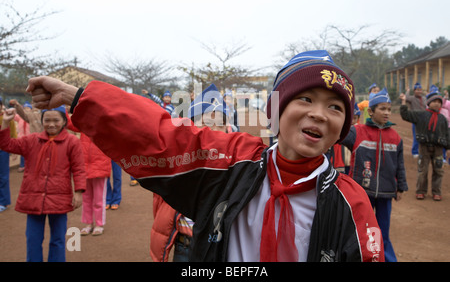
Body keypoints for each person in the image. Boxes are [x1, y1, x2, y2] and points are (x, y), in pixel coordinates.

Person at [26, 50, 384, 262]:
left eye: (335, 107)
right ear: (274, 111)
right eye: (305, 99)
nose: (319, 114)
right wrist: (80, 97)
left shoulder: (351, 202)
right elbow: (161, 136)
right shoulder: (231, 162)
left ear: (343, 126)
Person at [151, 83, 228, 262]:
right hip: (186, 246)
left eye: (222, 125)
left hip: (221, 249)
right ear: (192, 127)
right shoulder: (176, 166)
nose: (216, 131)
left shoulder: (237, 166)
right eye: (207, 123)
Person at [0, 106, 86, 261]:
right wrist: (5, 123)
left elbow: (79, 168)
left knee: (58, 239)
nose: (51, 124)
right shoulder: (31, 140)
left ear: (64, 121)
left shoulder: (72, 142)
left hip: (59, 198)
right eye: (47, 120)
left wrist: (79, 192)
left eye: (56, 120)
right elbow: (7, 145)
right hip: (33, 198)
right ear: (42, 121)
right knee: (33, 239)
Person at [341, 87, 408, 262]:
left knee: (382, 232)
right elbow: (338, 134)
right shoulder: (357, 132)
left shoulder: (396, 138)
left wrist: (401, 187)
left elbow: (400, 165)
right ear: (370, 111)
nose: (387, 113)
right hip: (362, 191)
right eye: (382, 109)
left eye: (388, 109)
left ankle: (387, 259)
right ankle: (361, 256)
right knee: (361, 228)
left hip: (386, 192)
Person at [400, 86, 450, 201]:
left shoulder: (442, 119)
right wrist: (403, 103)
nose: (437, 104)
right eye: (434, 101)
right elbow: (406, 115)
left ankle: (436, 192)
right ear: (429, 103)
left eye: (439, 102)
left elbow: (447, 133)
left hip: (438, 148)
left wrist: (448, 148)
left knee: (438, 170)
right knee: (423, 170)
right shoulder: (421, 115)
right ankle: (421, 191)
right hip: (424, 147)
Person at [65, 113, 111, 236]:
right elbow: (69, 123)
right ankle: (88, 223)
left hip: (101, 167)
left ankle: (99, 224)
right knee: (86, 199)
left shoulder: (107, 128)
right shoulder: (84, 125)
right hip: (85, 166)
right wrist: (63, 108)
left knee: (99, 199)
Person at [328, 103, 360, 174]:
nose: (352, 121)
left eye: (355, 118)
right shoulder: (341, 129)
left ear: (358, 118)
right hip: (338, 159)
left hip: (351, 161)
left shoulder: (358, 132)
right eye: (350, 118)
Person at [0, 97, 17, 212]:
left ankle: (3, 202)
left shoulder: (5, 118)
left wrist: (14, 150)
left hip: (2, 150)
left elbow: (13, 133)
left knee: (3, 176)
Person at [404, 83, 426, 158]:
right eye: (417, 90)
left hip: (424, 120)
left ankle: (422, 151)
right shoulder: (412, 98)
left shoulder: (424, 98)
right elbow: (406, 98)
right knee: (416, 136)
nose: (419, 91)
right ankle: (415, 152)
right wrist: (407, 91)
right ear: (414, 91)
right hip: (416, 120)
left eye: (420, 90)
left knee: (424, 136)